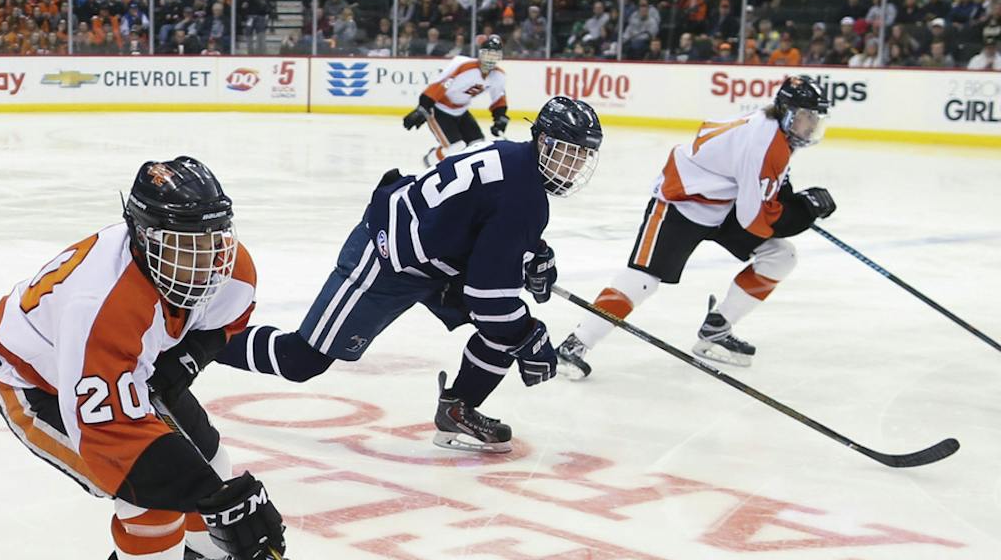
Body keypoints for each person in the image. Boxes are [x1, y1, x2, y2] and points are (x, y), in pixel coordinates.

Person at [0, 156, 288, 560]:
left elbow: (226, 320)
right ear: (141, 236)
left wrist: (187, 360)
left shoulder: (231, 267)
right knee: (148, 497)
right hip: (38, 385)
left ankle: (199, 549)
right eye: (182, 246)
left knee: (210, 458)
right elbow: (113, 437)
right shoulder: (99, 303)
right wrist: (217, 499)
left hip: (120, 367)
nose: (203, 260)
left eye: (210, 241)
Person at [225, 96, 605, 452]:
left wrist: (533, 254)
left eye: (582, 155)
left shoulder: (515, 160)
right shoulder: (525, 197)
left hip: (434, 259)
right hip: (388, 256)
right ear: (539, 139)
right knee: (301, 360)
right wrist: (529, 338)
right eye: (565, 152)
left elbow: (482, 225)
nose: (571, 165)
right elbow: (487, 298)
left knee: (505, 328)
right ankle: (200, 343)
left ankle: (457, 409)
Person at [557, 77, 834, 376]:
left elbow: (767, 191)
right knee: (643, 279)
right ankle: (575, 344)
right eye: (808, 117)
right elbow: (755, 220)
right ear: (788, 112)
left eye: (816, 118)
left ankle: (717, 328)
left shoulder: (777, 134)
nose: (811, 125)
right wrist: (803, 212)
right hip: (680, 202)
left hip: (723, 203)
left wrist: (795, 203)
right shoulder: (765, 143)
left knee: (782, 256)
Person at [402, 34, 509, 165]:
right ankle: (430, 161)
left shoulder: (498, 75)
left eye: (495, 56)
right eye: (488, 54)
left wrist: (500, 117)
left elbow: (499, 97)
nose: (491, 60)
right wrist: (423, 108)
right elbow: (439, 85)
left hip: (461, 111)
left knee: (478, 146)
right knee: (455, 148)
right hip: (439, 110)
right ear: (480, 54)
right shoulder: (463, 65)